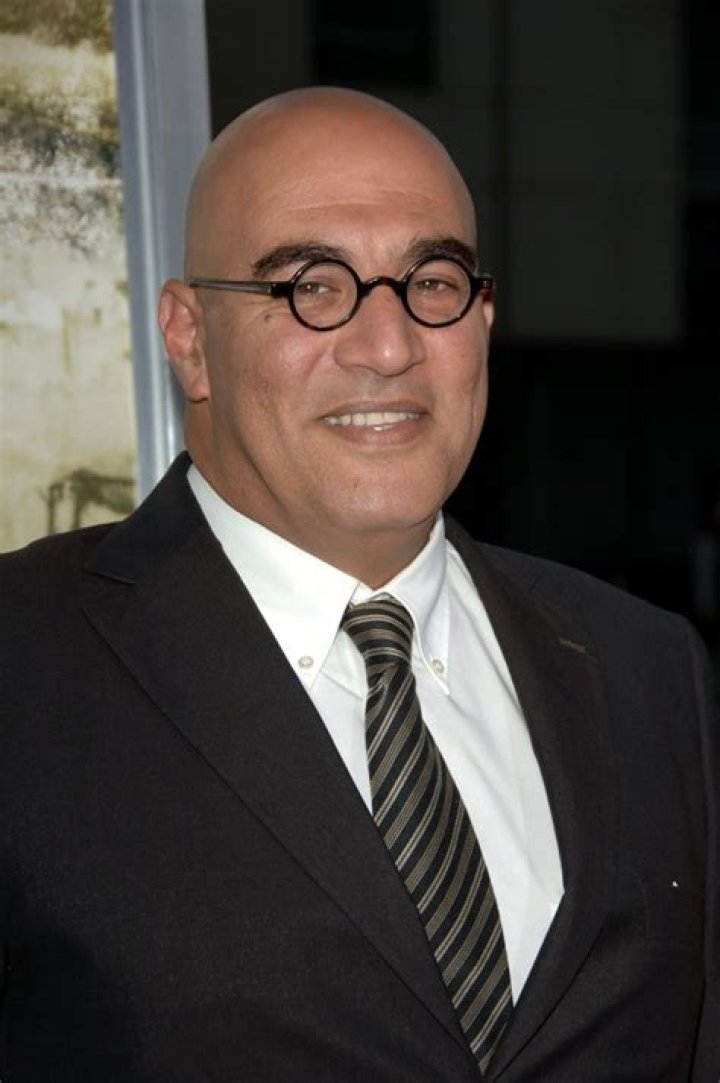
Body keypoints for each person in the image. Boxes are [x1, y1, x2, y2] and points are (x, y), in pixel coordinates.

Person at [0, 87, 717, 1082]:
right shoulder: (24, 663)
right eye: (313, 285)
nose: (389, 346)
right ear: (190, 337)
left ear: (483, 319)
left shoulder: (650, 668)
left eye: (434, 281)